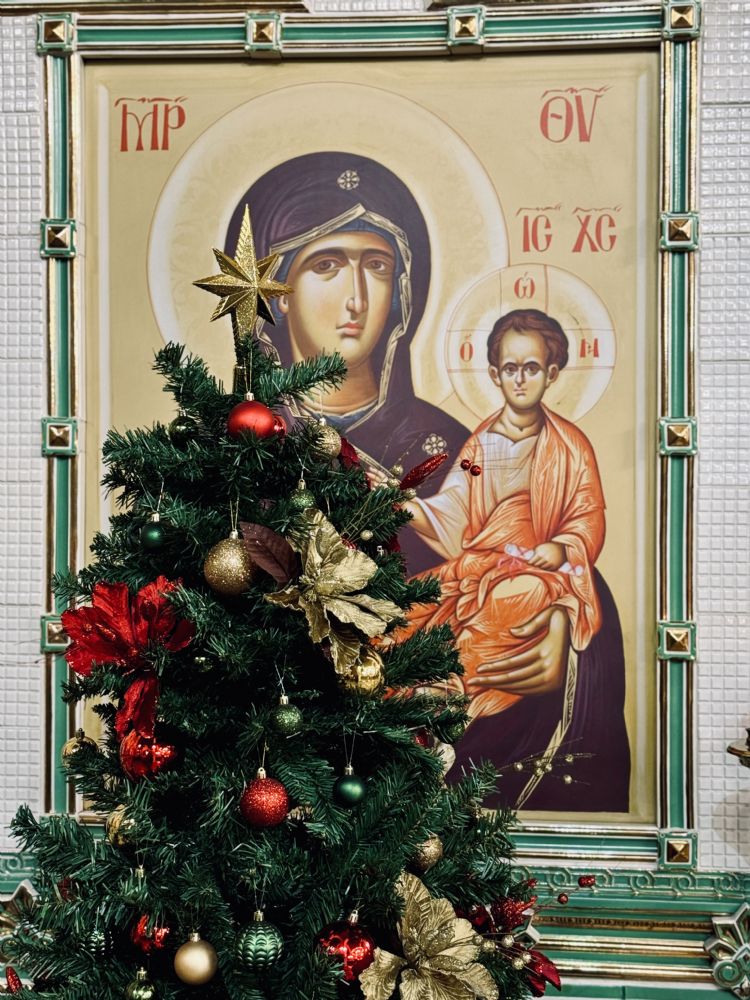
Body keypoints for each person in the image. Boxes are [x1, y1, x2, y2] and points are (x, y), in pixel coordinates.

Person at [400, 309, 630, 810]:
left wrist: (561, 545)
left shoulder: (569, 446)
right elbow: (455, 513)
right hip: (483, 562)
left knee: (513, 599)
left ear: (552, 372)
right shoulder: (480, 443)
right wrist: (407, 506)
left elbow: (588, 515)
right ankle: (418, 693)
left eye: (531, 367)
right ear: (494, 373)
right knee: (415, 605)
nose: (520, 379)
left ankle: (453, 693)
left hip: (543, 573)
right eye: (510, 368)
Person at [225, 153, 468, 573]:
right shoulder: (238, 447)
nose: (357, 298)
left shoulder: (449, 447)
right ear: (279, 294)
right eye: (326, 265)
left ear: (402, 293)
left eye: (376, 266)